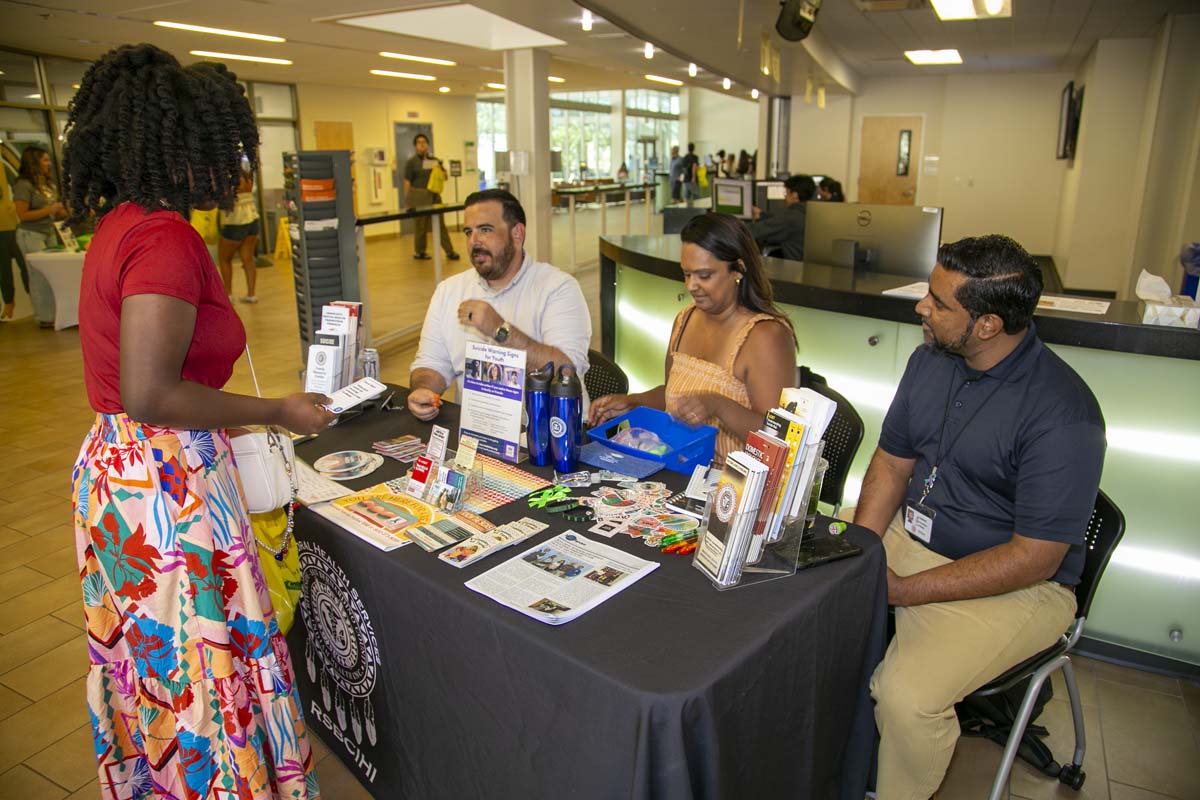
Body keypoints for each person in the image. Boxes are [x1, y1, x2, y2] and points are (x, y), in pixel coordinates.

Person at [64, 43, 332, 798]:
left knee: (162, 665)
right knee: (200, 673)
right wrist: (274, 410)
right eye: (228, 154)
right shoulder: (165, 237)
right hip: (165, 482)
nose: (235, 172)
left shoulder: (122, 223)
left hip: (121, 470)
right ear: (189, 147)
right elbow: (152, 392)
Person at [850, 234, 1105, 800]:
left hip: (1014, 585)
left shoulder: (1064, 413)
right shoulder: (929, 360)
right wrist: (863, 553)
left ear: (987, 324)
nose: (922, 307)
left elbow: (1033, 558)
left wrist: (900, 590)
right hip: (912, 541)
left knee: (907, 697)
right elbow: (892, 464)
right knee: (806, 573)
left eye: (939, 303)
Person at [589, 213, 797, 462]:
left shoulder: (765, 336)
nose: (691, 286)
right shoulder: (685, 319)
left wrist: (719, 405)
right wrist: (634, 402)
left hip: (736, 485)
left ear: (738, 271)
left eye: (704, 275)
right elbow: (675, 394)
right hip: (681, 470)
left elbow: (778, 439)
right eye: (686, 274)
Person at [408, 189, 591, 420]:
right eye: (468, 232)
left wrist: (500, 331)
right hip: (478, 436)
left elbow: (567, 371)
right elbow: (431, 363)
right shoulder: (449, 290)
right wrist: (424, 390)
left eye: (485, 230)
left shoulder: (558, 288)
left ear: (517, 234)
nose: (474, 241)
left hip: (550, 437)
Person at [404, 133, 461, 262]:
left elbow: (445, 177)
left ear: (428, 144)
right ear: (415, 146)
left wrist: (441, 169)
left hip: (435, 197)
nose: (422, 144)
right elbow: (407, 182)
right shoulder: (411, 163)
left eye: (424, 141)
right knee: (420, 226)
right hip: (419, 196)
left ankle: (449, 251)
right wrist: (408, 200)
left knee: (440, 225)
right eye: (419, 142)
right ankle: (420, 252)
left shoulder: (435, 160)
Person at [749, 174, 816, 261]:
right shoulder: (811, 213)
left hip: (794, 271)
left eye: (786, 192)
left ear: (795, 195)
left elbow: (755, 231)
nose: (785, 196)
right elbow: (778, 221)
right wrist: (761, 214)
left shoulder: (791, 217)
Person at [218, 167, 261, 303]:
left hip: (235, 221)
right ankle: (251, 294)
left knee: (225, 259)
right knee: (248, 258)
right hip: (252, 219)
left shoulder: (231, 178)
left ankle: (228, 295)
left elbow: (225, 196)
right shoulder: (247, 177)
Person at [13, 146, 66, 256]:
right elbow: (22, 215)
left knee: (52, 269)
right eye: (45, 160)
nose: (49, 164)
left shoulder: (48, 185)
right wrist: (50, 209)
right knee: (39, 271)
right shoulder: (23, 185)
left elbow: (54, 213)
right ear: (34, 163)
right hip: (32, 234)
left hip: (50, 231)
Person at [0, 167, 29, 321]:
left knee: (24, 266)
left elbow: (14, 183)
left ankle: (13, 300)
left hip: (12, 224)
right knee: (5, 268)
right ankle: (9, 301)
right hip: (4, 226)